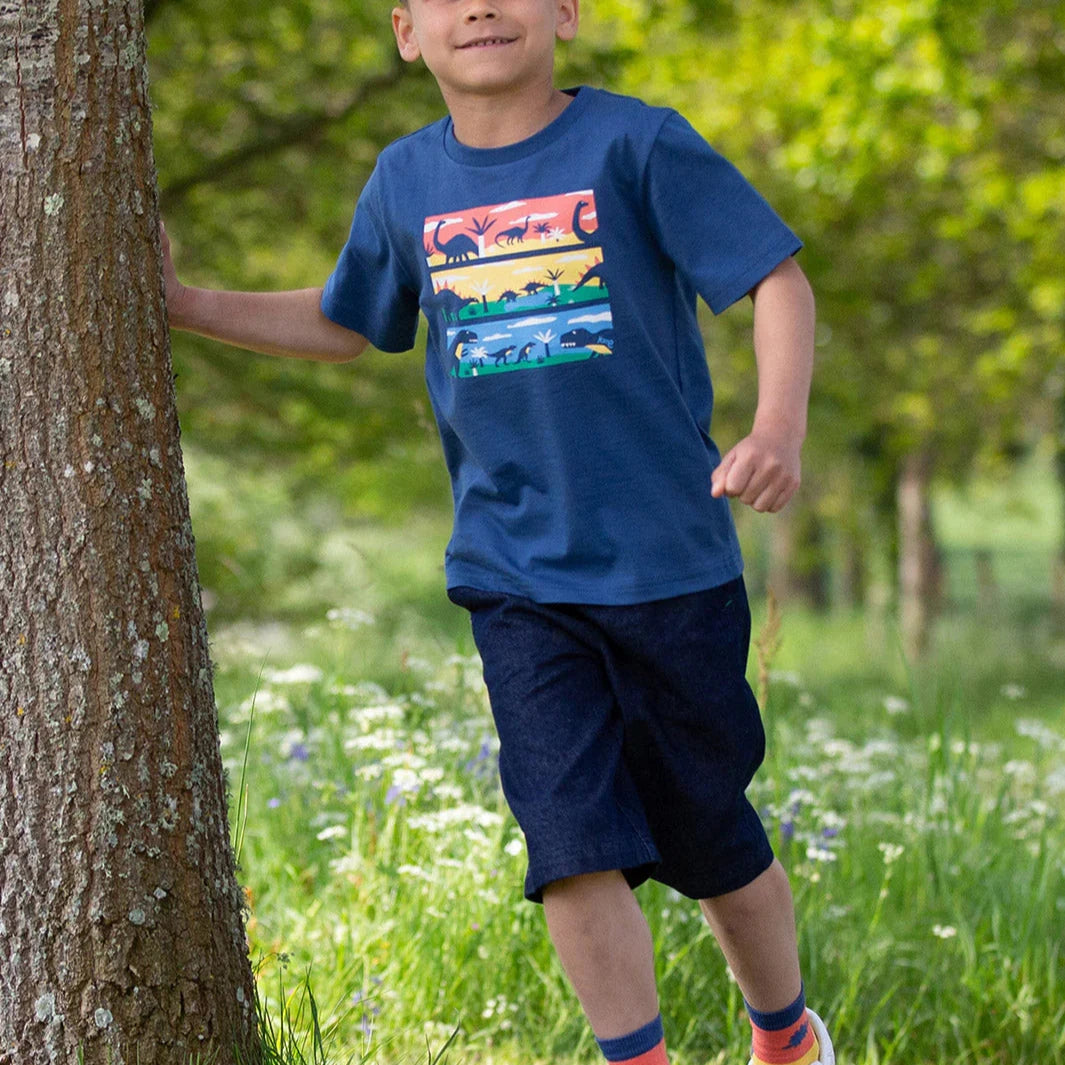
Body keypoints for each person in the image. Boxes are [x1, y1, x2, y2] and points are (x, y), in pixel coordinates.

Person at [162, 0, 833, 1062]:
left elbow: (774, 278)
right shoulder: (405, 181)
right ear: (406, 32)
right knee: (570, 845)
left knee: (710, 835)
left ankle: (786, 1033)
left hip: (670, 567)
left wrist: (777, 430)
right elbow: (345, 320)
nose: (479, 4)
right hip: (514, 575)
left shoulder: (635, 143)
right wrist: (182, 301)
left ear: (565, 12)